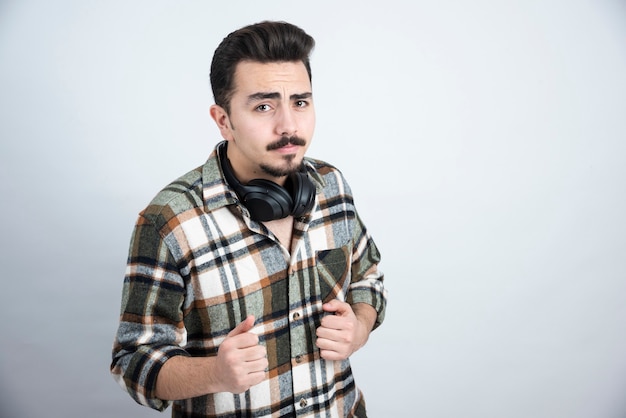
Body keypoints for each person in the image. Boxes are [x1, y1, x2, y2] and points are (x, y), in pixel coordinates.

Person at [110, 20, 387, 418]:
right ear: (223, 120)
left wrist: (358, 327)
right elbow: (132, 362)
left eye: (300, 102)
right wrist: (214, 373)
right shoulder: (169, 222)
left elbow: (369, 278)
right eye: (263, 106)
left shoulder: (331, 185)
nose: (289, 125)